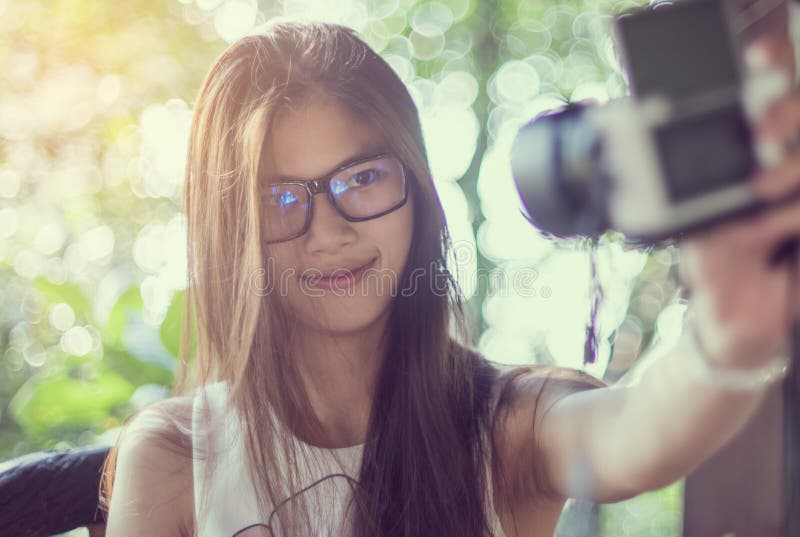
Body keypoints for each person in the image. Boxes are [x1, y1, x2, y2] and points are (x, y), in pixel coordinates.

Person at [101, 16, 800, 537]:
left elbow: (638, 433)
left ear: (419, 192)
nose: (330, 230)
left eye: (363, 177)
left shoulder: (509, 421)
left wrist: (730, 334)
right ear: (233, 232)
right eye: (281, 198)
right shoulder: (174, 456)